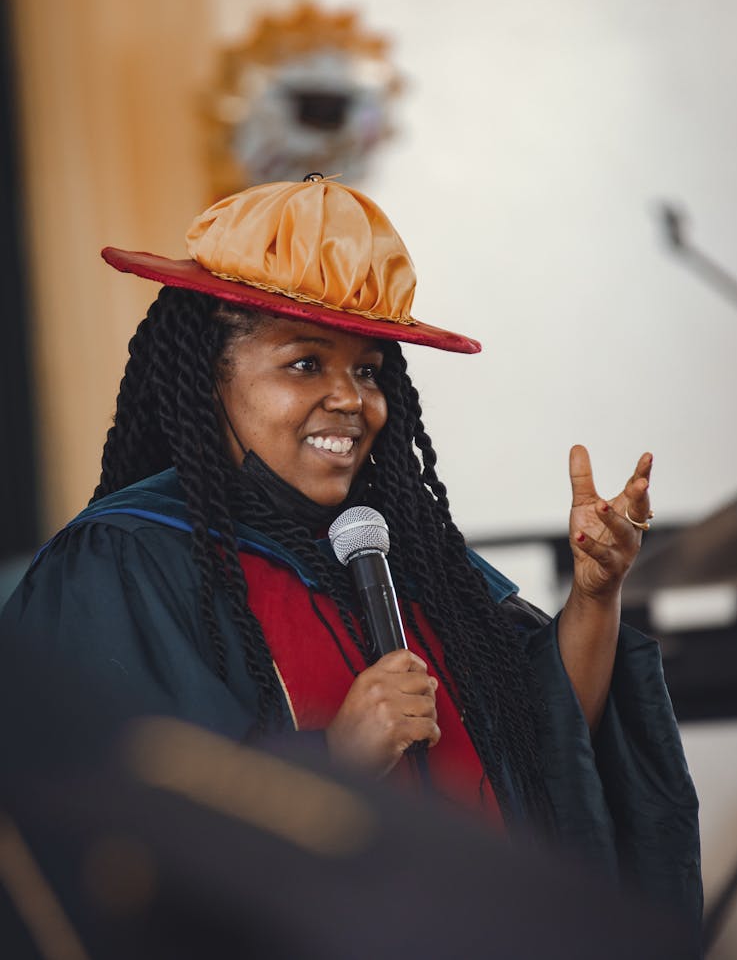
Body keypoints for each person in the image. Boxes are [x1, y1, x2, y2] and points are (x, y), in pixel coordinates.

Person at [1, 174, 701, 927]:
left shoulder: (412, 558)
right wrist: (337, 758)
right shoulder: (124, 564)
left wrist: (597, 593)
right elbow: (111, 827)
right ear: (212, 378)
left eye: (367, 370)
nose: (351, 399)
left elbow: (550, 747)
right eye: (306, 362)